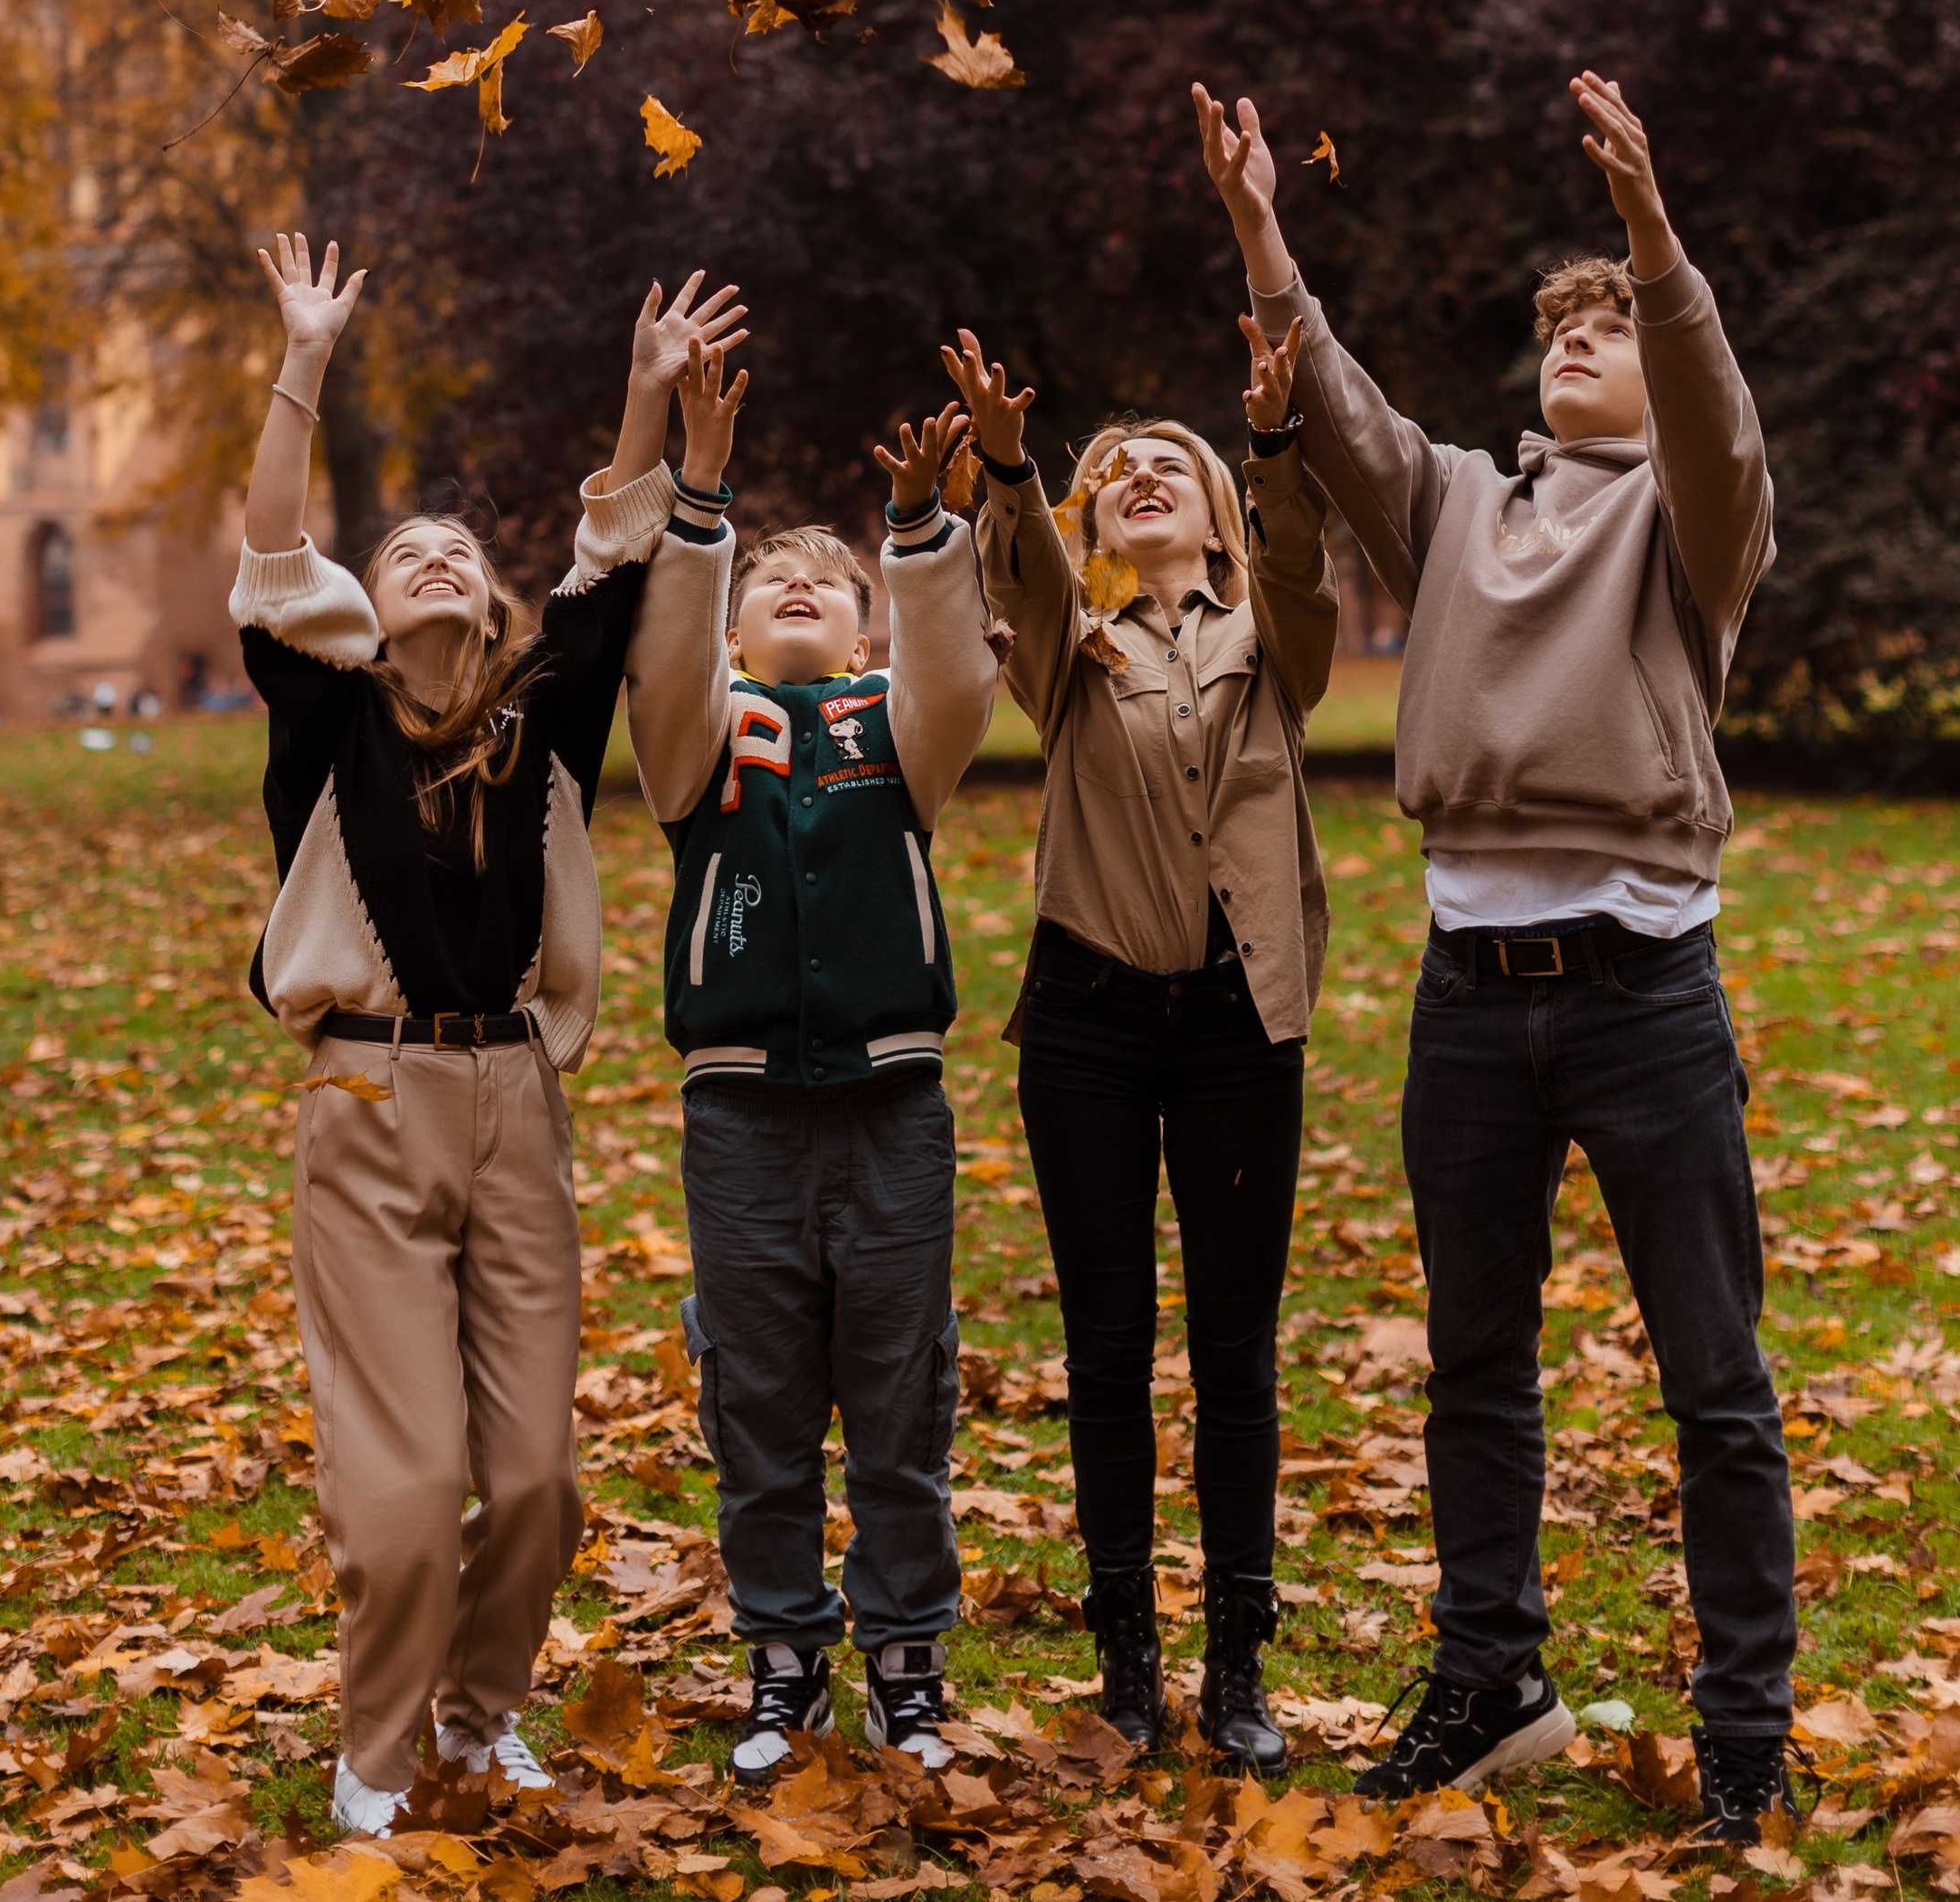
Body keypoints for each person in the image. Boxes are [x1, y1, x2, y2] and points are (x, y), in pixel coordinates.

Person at [1194, 74, 1793, 1843]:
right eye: (1562, 329)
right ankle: (1487, 1679)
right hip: (1471, 999)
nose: (1577, 343)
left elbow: (1714, 418)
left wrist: (1652, 250)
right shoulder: (1455, 504)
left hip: (1641, 1000)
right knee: (1472, 1365)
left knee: (1712, 1378)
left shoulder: (1694, 529)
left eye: (1605, 328)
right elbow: (1342, 405)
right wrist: (1256, 230)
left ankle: (1743, 1728)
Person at [233, 230, 742, 1835]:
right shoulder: (329, 724)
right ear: (364, 612)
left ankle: (478, 1717)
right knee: (398, 1502)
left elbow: (613, 557)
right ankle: (376, 1752)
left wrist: (646, 397)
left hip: (517, 1101)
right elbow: (270, 551)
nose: (440, 556)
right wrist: (302, 363)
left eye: (461, 547)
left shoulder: (540, 722)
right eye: (409, 552)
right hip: (368, 1112)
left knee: (533, 1481)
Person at [943, 311, 1337, 1771]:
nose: (1145, 473)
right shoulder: (1065, 643)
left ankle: (1240, 1670)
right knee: (1108, 1348)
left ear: (1221, 522)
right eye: (1118, 470)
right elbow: (1026, 567)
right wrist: (1009, 464)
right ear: (1093, 519)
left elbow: (1301, 574)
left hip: (1244, 1020)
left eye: (1177, 463)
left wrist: (1278, 448)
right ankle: (1128, 1666)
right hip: (1091, 1024)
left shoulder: (1273, 642)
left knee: (1235, 1350)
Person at [620, 342, 1001, 1788]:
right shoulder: (701, 738)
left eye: (823, 583)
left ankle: (908, 1663)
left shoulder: (892, 733)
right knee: (760, 1402)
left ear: (861, 631)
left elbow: (957, 668)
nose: (795, 587)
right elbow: (660, 660)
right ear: (730, 626)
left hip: (893, 1110)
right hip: (741, 1125)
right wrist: (700, 496)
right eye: (767, 579)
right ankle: (782, 1661)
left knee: (901, 1396)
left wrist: (916, 538)